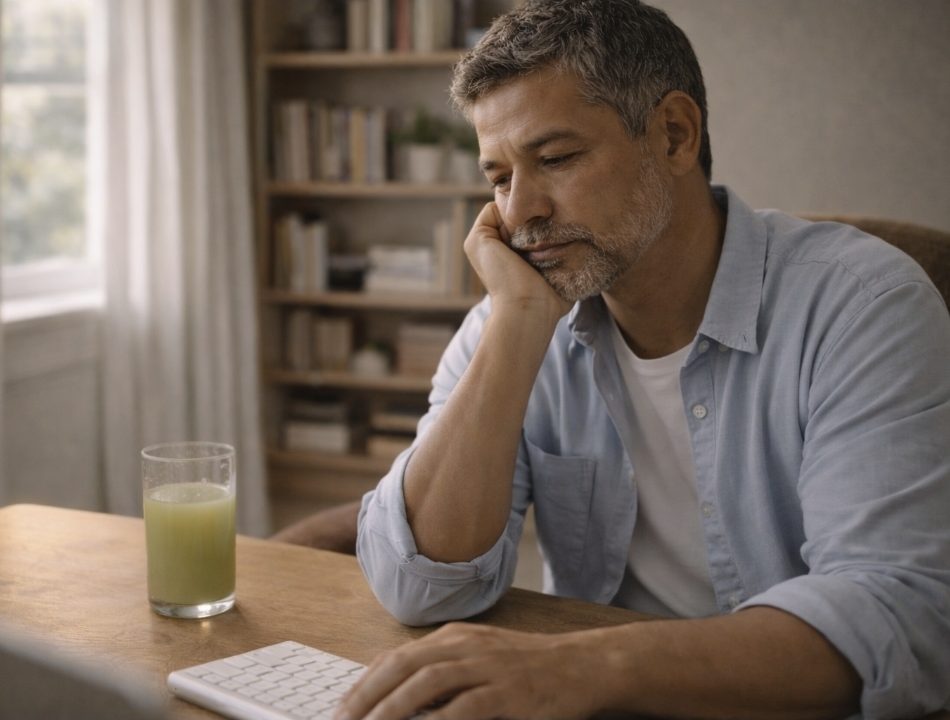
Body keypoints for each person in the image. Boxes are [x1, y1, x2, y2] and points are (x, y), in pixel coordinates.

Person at [335, 1, 950, 719]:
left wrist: (581, 668)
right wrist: (515, 327)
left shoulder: (863, 304)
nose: (519, 212)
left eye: (556, 159)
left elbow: (897, 612)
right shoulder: (512, 318)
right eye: (498, 177)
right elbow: (420, 587)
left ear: (674, 134)